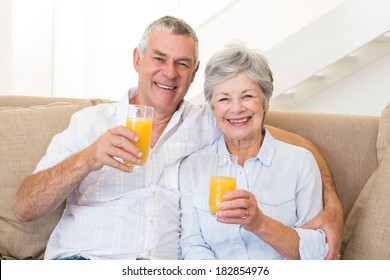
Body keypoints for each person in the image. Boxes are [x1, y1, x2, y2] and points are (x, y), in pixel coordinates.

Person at [13, 16, 342, 260]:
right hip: (86, 261)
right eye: (159, 58)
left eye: (181, 63)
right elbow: (24, 207)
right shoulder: (90, 123)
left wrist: (332, 202)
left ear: (194, 71)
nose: (169, 73)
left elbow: (281, 140)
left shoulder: (208, 121)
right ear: (137, 59)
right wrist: (87, 158)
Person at [179, 41, 329, 259]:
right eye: (224, 99)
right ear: (212, 109)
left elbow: (316, 251)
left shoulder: (300, 163)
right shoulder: (193, 167)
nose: (237, 108)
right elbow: (192, 245)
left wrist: (260, 224)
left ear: (265, 102)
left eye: (247, 96)